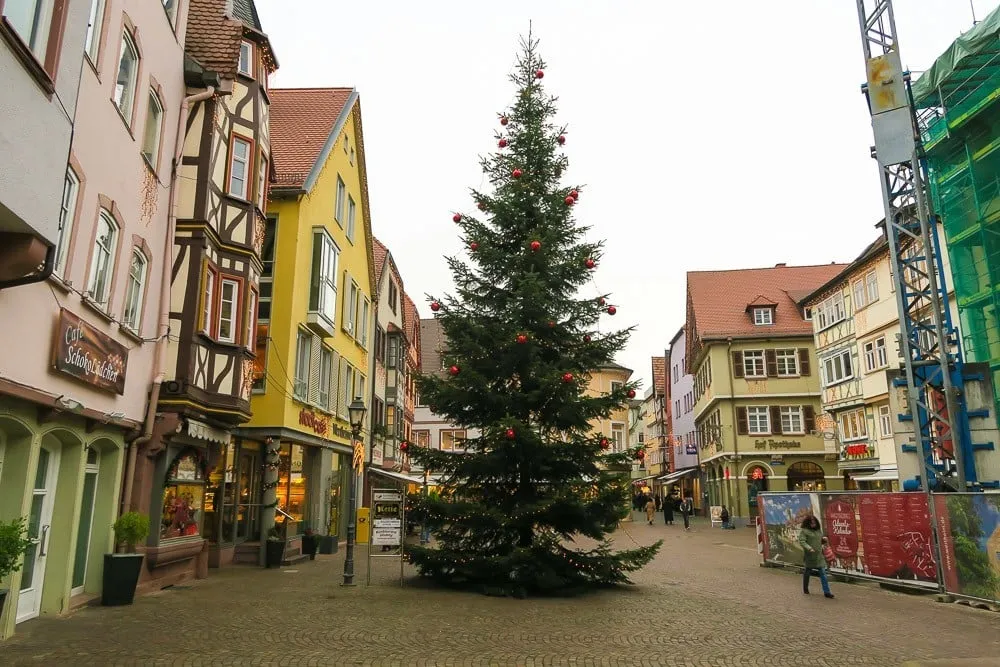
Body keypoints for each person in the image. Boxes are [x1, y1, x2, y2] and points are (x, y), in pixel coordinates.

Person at [798, 515, 835, 599]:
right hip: (810, 556)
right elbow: (802, 541)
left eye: (814, 523)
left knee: (823, 574)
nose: (813, 524)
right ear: (808, 523)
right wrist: (809, 548)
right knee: (807, 572)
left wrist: (824, 540)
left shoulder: (818, 531)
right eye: (812, 523)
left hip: (819, 556)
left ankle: (827, 592)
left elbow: (819, 541)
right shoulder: (804, 531)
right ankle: (805, 588)